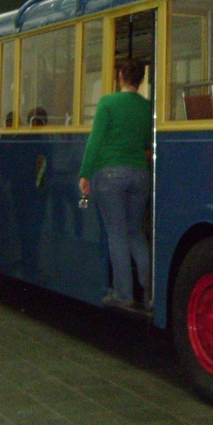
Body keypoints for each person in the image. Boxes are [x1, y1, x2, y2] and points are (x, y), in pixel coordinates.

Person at [78, 58, 152, 309]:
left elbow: (95, 140)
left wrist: (85, 173)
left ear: (120, 76)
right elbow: (146, 143)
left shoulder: (107, 102)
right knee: (135, 233)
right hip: (140, 175)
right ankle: (150, 292)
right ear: (141, 79)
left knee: (117, 234)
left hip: (110, 174)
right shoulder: (146, 107)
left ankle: (124, 294)